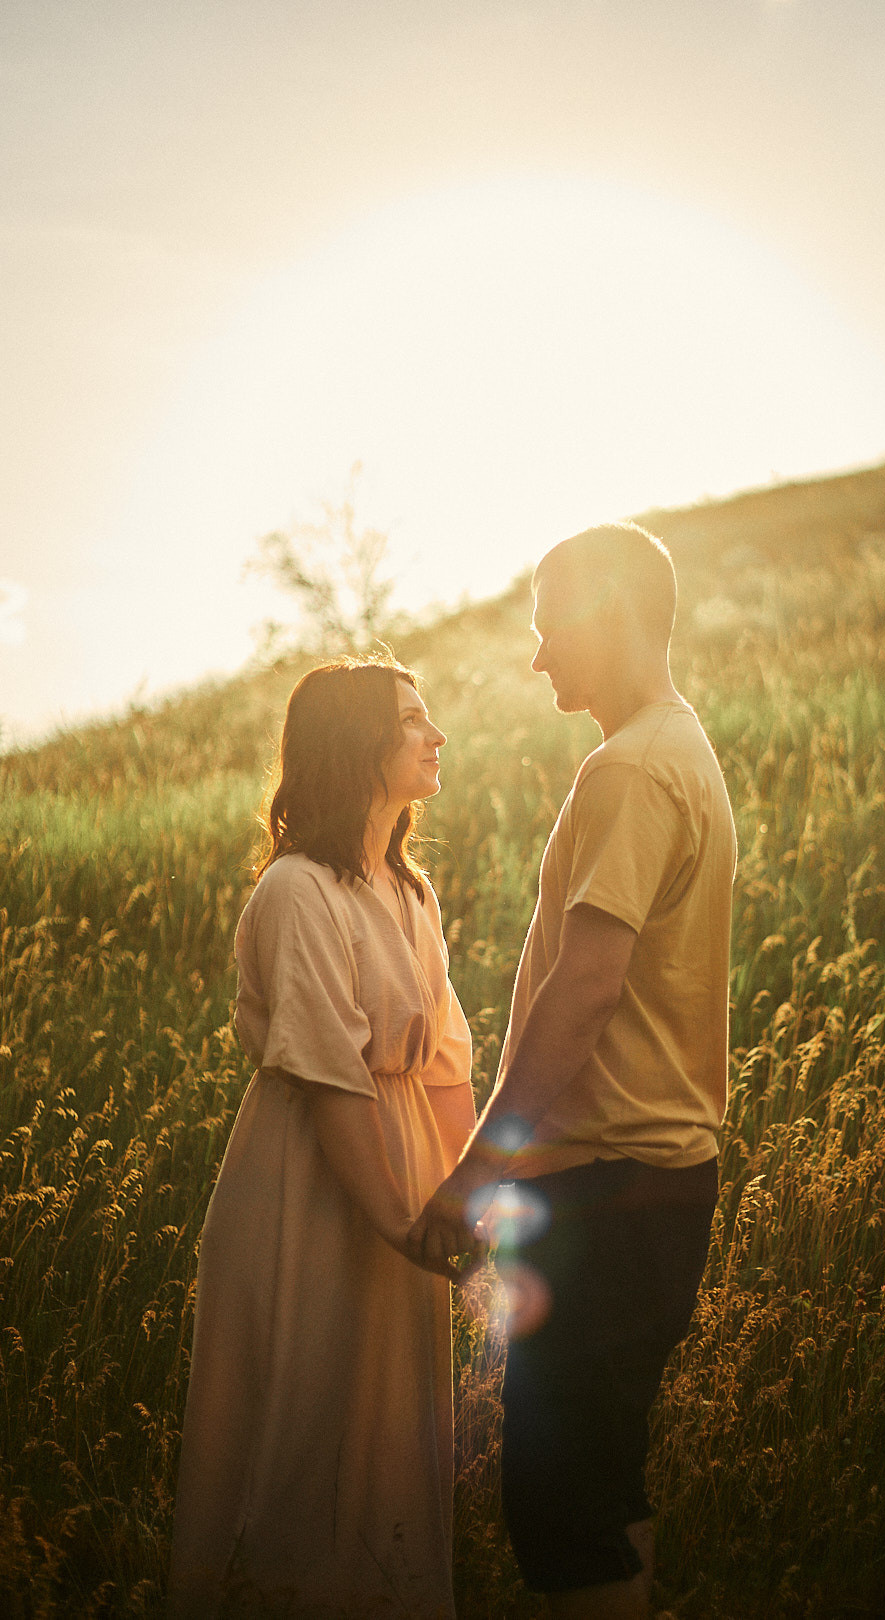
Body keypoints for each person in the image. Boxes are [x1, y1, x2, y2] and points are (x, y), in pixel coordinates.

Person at [408, 523, 737, 1620]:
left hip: (607, 1185)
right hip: (657, 1183)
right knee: (601, 1490)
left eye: (552, 628)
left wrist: (475, 1173)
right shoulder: (677, 747)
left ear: (612, 613)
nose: (539, 656)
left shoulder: (633, 769)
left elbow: (587, 989)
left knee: (558, 1505)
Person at [168, 657, 478, 1620]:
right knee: (299, 1419)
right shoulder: (299, 890)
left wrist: (467, 1200)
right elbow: (329, 1076)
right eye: (413, 720)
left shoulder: (409, 890)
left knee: (389, 1430)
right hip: (311, 1179)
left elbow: (448, 1063)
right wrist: (403, 1220)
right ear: (356, 745)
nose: (436, 737)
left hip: (406, 1173)